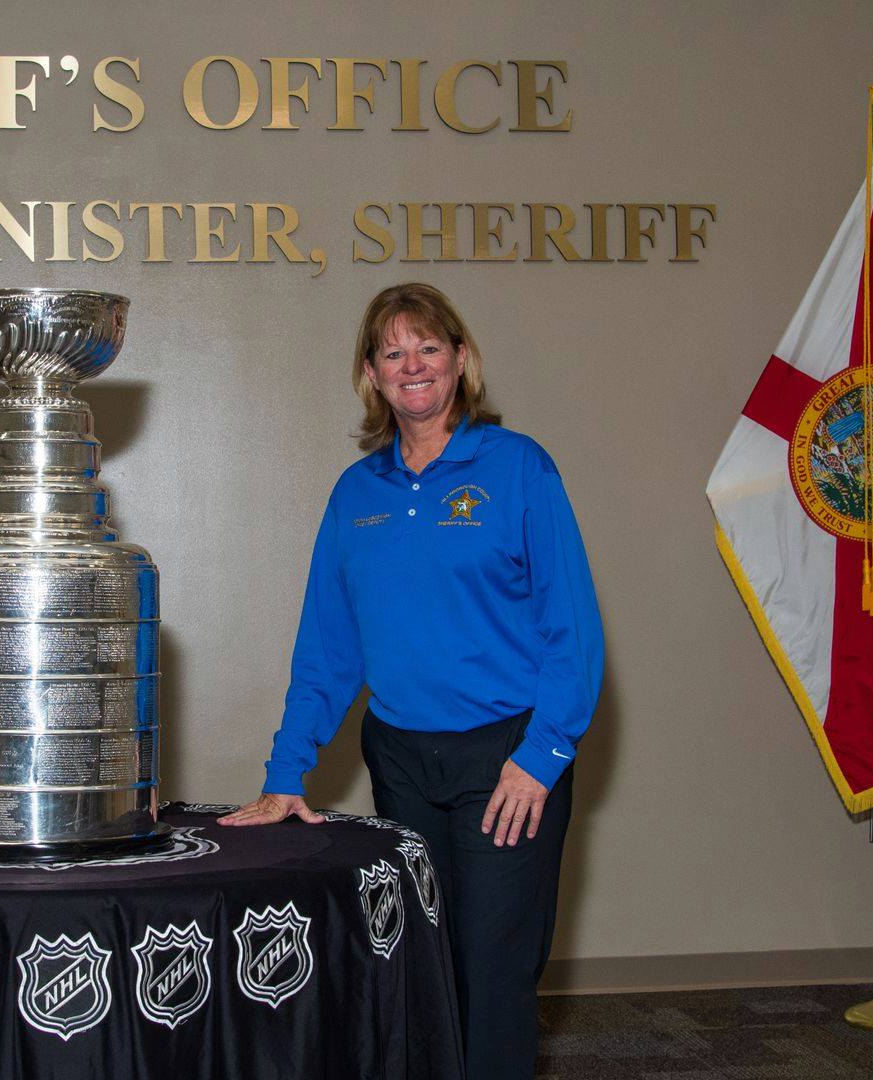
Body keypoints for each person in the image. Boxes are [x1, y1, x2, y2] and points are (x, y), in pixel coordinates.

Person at [220, 282, 603, 1080]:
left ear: (461, 360)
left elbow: (573, 629)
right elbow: (327, 649)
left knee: (494, 971)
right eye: (393, 352)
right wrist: (287, 771)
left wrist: (543, 756)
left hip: (507, 760)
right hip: (401, 762)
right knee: (422, 965)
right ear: (371, 375)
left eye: (429, 347)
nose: (413, 364)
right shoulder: (356, 495)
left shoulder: (519, 468)